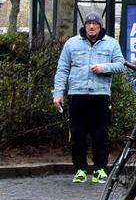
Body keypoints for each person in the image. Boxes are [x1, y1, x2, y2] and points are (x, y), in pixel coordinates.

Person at [52, 11, 125, 184]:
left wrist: (104, 67)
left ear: (100, 27)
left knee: (101, 134)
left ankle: (100, 169)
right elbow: (62, 69)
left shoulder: (111, 44)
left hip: (100, 95)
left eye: (95, 24)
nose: (91, 27)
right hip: (77, 94)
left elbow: (121, 65)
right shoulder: (72, 44)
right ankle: (80, 170)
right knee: (78, 135)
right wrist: (58, 93)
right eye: (88, 24)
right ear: (84, 26)